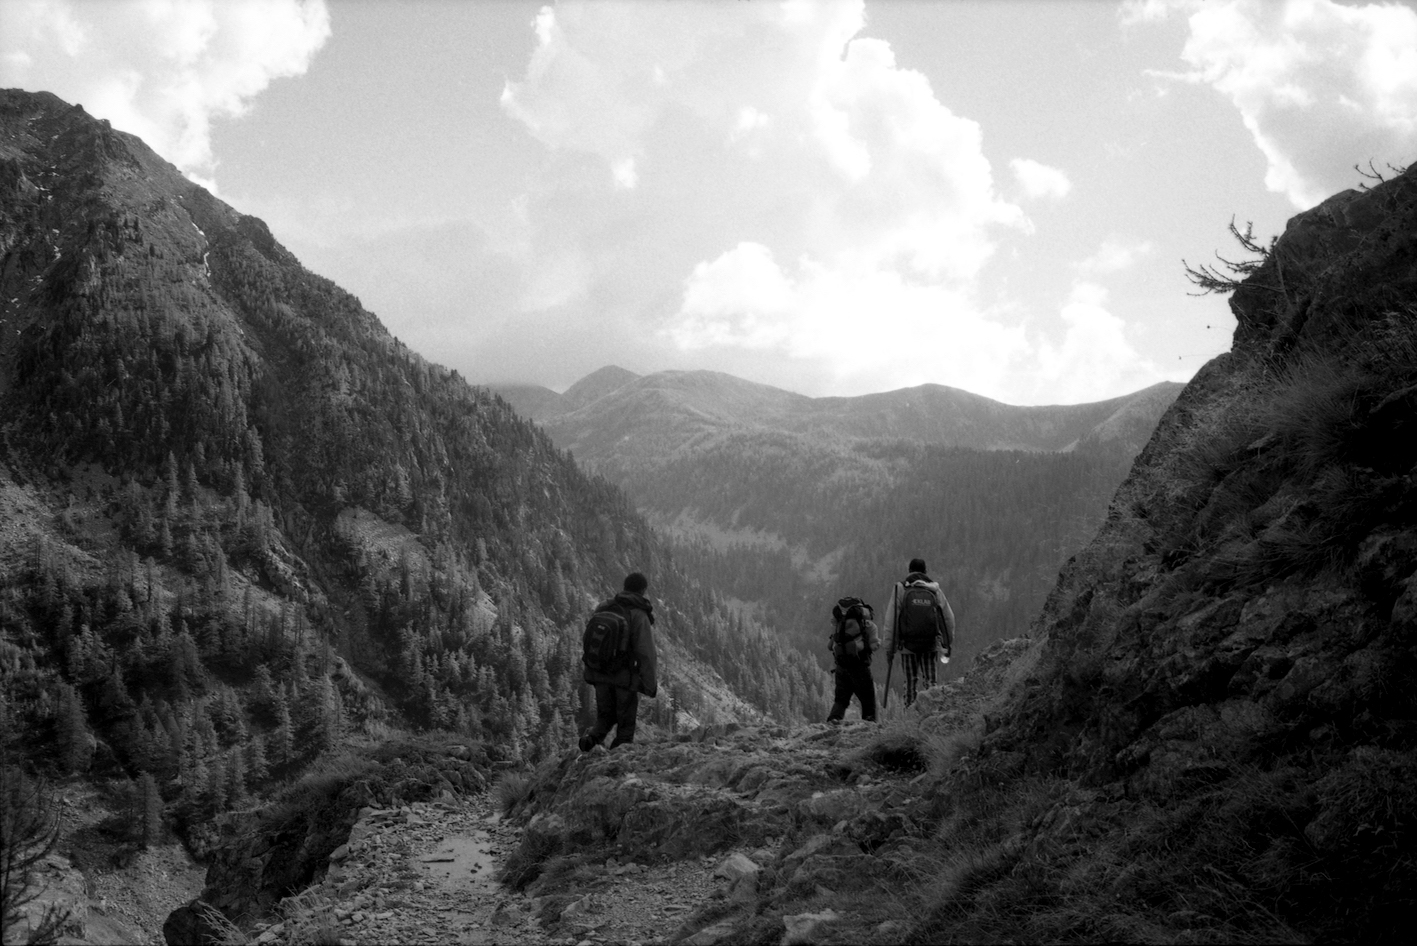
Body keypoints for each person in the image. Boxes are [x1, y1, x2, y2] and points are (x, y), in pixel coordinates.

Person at [579, 571, 658, 750]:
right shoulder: (638, 614)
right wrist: (650, 684)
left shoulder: (605, 607)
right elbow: (646, 653)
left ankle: (589, 741)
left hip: (600, 675)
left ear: (625, 587)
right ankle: (616, 764)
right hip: (624, 679)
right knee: (625, 726)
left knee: (604, 717)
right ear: (643, 590)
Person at [882, 558, 955, 709]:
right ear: (925, 571)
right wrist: (947, 643)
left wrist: (890, 647)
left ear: (909, 570)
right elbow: (948, 618)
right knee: (931, 682)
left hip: (908, 645)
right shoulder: (934, 590)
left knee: (910, 682)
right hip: (930, 644)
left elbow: (891, 620)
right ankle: (933, 712)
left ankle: (909, 714)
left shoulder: (901, 589)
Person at [826, 596, 881, 723]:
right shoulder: (868, 626)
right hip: (860, 667)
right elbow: (873, 646)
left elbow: (829, 646)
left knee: (840, 700)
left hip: (841, 667)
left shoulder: (838, 625)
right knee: (868, 701)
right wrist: (876, 643)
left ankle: (833, 722)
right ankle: (869, 726)